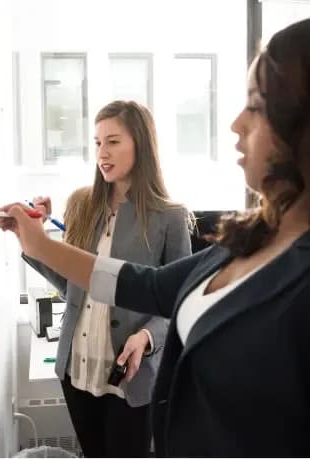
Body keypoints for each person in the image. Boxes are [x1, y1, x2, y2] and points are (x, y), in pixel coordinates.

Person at [0, 15, 310, 457]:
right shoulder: (254, 237)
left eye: (256, 103)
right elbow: (146, 285)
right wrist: (37, 244)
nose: (236, 123)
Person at [21, 100, 192, 458]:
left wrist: (147, 337)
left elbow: (180, 301)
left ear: (140, 144)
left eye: (113, 141)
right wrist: (33, 241)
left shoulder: (170, 217)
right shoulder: (82, 204)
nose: (102, 152)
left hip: (131, 373)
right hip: (78, 364)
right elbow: (71, 284)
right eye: (98, 142)